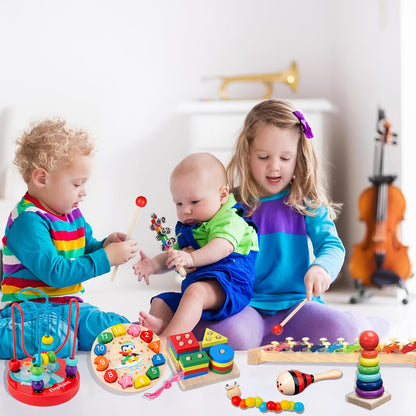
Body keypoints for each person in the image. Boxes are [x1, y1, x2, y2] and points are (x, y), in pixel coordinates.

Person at [192, 99, 388, 349]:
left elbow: (331, 245)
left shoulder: (306, 203)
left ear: (299, 157)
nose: (274, 166)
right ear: (247, 153)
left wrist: (321, 269)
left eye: (285, 157)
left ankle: (366, 323)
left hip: (296, 305)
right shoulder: (231, 204)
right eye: (263, 156)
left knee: (344, 331)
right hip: (245, 304)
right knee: (233, 336)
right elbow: (209, 245)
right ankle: (266, 336)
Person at [0, 118, 139, 359]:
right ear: (42, 179)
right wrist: (106, 258)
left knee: (117, 329)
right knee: (61, 340)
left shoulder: (71, 214)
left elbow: (85, 249)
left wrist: (105, 245)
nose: (84, 192)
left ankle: (68, 334)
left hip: (70, 307)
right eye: (77, 184)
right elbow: (55, 273)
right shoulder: (28, 221)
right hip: (30, 310)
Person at [133, 152, 258, 343]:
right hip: (199, 286)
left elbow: (222, 247)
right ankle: (162, 326)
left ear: (222, 195)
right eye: (179, 203)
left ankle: (168, 339)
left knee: (195, 292)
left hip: (230, 285)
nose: (185, 210)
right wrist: (153, 265)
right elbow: (173, 255)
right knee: (161, 301)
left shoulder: (230, 220)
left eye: (194, 202)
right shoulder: (190, 227)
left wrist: (191, 258)